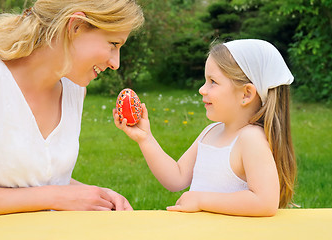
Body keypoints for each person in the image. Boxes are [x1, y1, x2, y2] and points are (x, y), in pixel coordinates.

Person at [0, 0, 144, 217]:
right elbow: (47, 192)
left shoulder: (75, 91)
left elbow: (40, 177)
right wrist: (53, 196)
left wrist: (95, 195)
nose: (116, 63)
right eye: (113, 44)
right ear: (76, 26)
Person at [114, 39, 297, 217]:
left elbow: (264, 202)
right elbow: (176, 178)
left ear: (246, 94)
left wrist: (201, 200)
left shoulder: (250, 139)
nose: (202, 89)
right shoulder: (210, 133)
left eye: (213, 82)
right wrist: (145, 139)